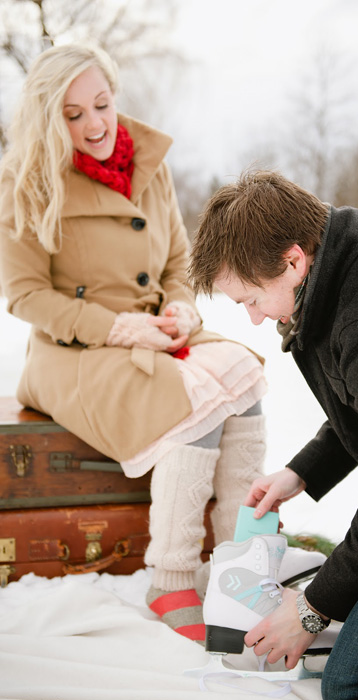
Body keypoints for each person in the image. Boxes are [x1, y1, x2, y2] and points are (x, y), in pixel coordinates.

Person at [0, 44, 270, 644]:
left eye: (102, 103)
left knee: (241, 373)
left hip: (159, 330)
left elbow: (176, 259)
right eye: (73, 115)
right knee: (184, 397)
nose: (95, 124)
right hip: (74, 350)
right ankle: (170, 575)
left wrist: (179, 305)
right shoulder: (25, 181)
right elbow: (25, 297)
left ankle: (237, 563)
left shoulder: (149, 160)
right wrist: (116, 328)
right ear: (48, 119)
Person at [188, 169, 358, 699]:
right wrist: (302, 471)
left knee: (355, 686)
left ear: (293, 260)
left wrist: (311, 610)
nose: (251, 319)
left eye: (250, 299)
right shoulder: (344, 257)